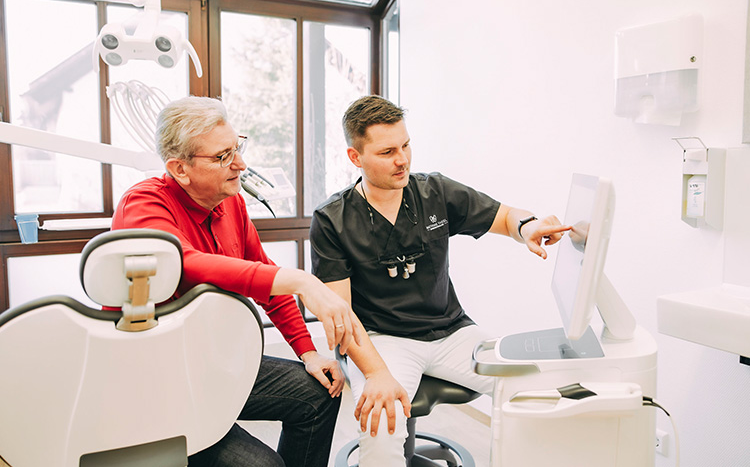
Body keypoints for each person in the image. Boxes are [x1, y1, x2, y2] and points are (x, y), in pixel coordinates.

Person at [111, 96, 408, 467]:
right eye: (222, 157)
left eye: (237, 148)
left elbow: (266, 279)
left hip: (213, 365)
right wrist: (301, 281)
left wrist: (308, 351)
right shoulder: (143, 205)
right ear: (180, 168)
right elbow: (183, 264)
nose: (240, 164)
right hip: (161, 382)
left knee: (321, 392)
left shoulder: (230, 203)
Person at [309, 95, 571, 466]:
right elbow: (341, 318)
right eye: (387, 152)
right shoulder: (332, 220)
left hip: (451, 333)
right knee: (381, 424)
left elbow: (505, 216)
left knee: (532, 393)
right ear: (356, 157)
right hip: (381, 340)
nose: (402, 160)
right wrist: (376, 372)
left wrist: (527, 227)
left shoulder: (435, 192)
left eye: (406, 145)